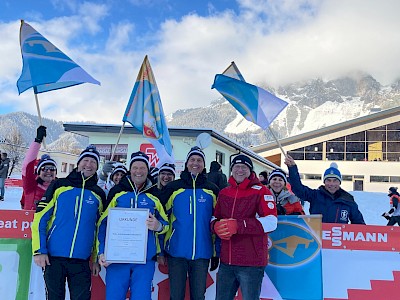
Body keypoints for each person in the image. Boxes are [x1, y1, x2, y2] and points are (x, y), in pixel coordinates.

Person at [31, 145, 106, 300]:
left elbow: (100, 229)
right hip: (54, 257)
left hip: (82, 260)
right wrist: (39, 250)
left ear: (97, 167)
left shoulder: (98, 194)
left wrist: (95, 259)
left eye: (93, 162)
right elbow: (40, 219)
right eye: (85, 160)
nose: (89, 164)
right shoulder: (59, 185)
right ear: (78, 163)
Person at [97, 151, 169, 300]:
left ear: (148, 170)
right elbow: (103, 224)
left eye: (142, 168)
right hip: (116, 259)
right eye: (135, 167)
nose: (138, 171)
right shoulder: (117, 192)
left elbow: (166, 225)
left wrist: (158, 227)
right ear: (130, 169)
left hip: (144, 260)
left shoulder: (155, 195)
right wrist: (102, 251)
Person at [211, 154, 278, 300]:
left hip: (251, 263)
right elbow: (215, 217)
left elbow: (272, 222)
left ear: (250, 171)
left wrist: (239, 226)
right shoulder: (224, 192)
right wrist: (215, 226)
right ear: (231, 170)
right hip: (227, 262)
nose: (239, 170)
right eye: (236, 167)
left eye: (244, 167)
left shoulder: (261, 191)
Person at [162, 146, 219, 300]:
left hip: (202, 253)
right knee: (176, 295)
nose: (195, 163)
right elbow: (161, 218)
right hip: (176, 252)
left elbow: (218, 221)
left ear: (204, 164)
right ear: (187, 163)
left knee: (199, 296)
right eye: (192, 160)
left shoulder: (211, 190)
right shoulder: (174, 188)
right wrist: (160, 250)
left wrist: (216, 252)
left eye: (199, 160)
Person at [285, 155, 365, 224]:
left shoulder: (348, 200)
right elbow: (299, 189)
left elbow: (359, 225)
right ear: (324, 182)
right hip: (316, 239)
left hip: (338, 240)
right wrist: (292, 169)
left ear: (339, 182)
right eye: (328, 180)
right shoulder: (315, 196)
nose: (331, 184)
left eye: (335, 181)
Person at [20, 126, 58, 210]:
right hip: (30, 222)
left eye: (52, 169)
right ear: (38, 172)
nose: (48, 171)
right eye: (44, 168)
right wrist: (37, 141)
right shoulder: (31, 186)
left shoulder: (59, 188)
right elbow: (27, 166)